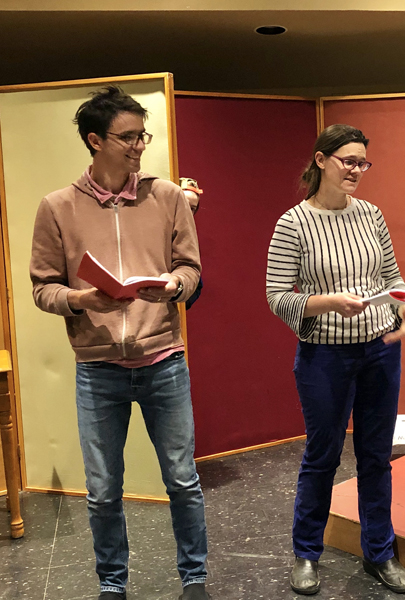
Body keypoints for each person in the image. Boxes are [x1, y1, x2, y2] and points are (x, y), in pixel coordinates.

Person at [29, 86, 210, 600]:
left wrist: (176, 285)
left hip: (164, 360)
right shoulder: (57, 207)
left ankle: (194, 580)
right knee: (104, 490)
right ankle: (113, 585)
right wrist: (81, 299)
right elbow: (43, 287)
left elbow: (192, 269)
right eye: (127, 137)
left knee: (182, 479)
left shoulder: (169, 196)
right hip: (98, 368)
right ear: (95, 140)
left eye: (141, 136)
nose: (138, 147)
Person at [266, 124, 405, 595]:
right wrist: (328, 302)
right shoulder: (293, 222)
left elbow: (391, 277)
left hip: (378, 351)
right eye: (348, 161)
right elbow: (276, 296)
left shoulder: (371, 215)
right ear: (320, 161)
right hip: (324, 356)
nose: (356, 170)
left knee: (377, 456)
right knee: (323, 455)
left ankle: (380, 552)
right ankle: (306, 553)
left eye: (362, 162)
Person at [179, 177, 204, 310]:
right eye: (183, 205)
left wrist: (179, 301)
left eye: (192, 208)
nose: (187, 212)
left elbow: (197, 285)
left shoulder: (189, 239)